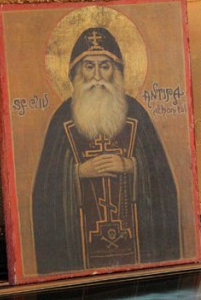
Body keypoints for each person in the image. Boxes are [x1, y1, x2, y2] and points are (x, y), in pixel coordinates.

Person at [32, 26, 180, 275]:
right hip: (80, 255)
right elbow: (45, 190)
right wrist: (77, 172)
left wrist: (131, 165)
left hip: (137, 254)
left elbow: (163, 182)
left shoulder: (136, 114)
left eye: (105, 66)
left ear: (117, 71)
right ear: (76, 72)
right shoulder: (62, 120)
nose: (97, 75)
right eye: (89, 66)